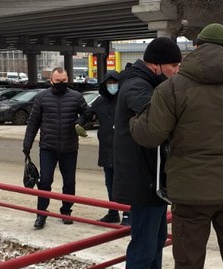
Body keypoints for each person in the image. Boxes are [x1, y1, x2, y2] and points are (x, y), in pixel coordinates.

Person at [129, 23, 223, 269]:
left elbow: (149, 135)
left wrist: (135, 120)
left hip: (190, 193)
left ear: (197, 46)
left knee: (188, 262)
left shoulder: (171, 88)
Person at [113, 37, 182, 268]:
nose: (177, 71)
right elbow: (157, 116)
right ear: (156, 65)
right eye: (174, 67)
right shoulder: (136, 85)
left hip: (153, 180)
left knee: (156, 242)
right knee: (143, 248)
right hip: (142, 181)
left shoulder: (150, 83)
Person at [23, 67, 89, 229]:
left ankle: (66, 211)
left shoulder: (76, 97)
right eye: (58, 81)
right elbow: (33, 123)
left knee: (69, 182)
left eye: (64, 81)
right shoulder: (41, 98)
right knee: (45, 181)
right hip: (48, 147)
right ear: (51, 81)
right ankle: (41, 214)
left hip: (69, 147)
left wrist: (80, 122)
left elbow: (88, 113)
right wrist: (27, 144)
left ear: (68, 80)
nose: (61, 84)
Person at [76, 70, 130, 226]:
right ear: (104, 85)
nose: (112, 86)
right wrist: (79, 123)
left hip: (123, 150)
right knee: (110, 182)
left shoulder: (124, 99)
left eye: (115, 83)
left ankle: (127, 213)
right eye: (109, 83)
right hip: (106, 149)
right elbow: (88, 114)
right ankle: (113, 212)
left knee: (124, 183)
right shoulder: (100, 101)